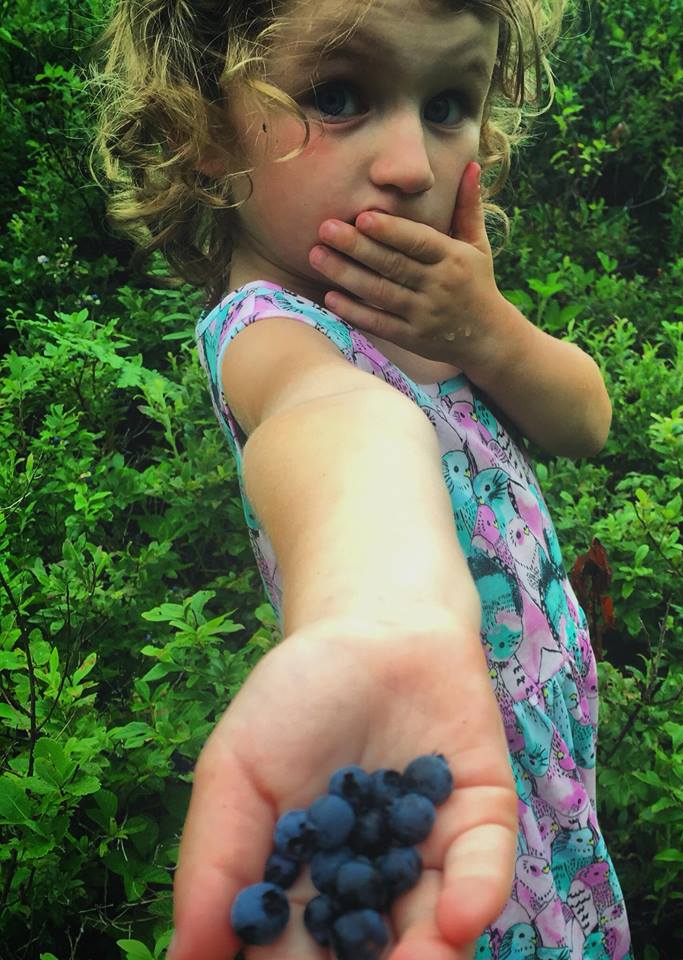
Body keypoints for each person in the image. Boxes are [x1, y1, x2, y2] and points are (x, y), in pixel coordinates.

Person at [93, 0, 632, 958]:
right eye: (339, 96)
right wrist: (377, 612)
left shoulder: (441, 306)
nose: (411, 166)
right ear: (205, 132)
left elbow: (586, 420)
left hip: (542, 792)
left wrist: (489, 329)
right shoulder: (272, 335)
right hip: (441, 804)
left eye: (448, 102)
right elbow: (339, 426)